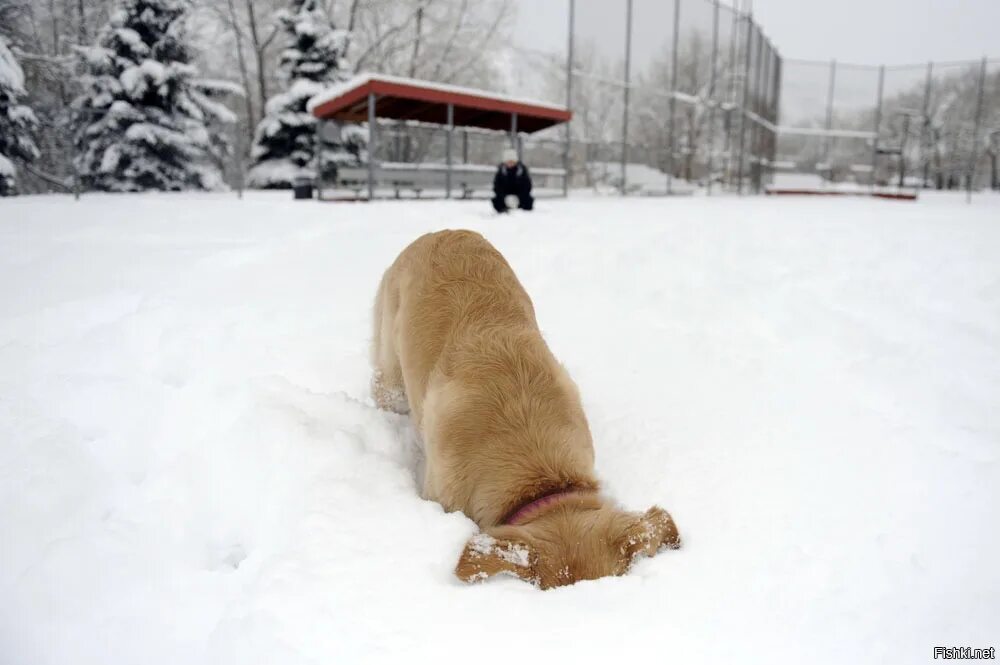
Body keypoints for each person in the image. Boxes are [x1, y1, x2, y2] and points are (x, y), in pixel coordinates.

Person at [491, 147, 533, 213]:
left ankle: (522, 211)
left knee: (528, 200)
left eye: (512, 161)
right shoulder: (501, 171)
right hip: (505, 194)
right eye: (508, 161)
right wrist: (504, 196)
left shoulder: (522, 170)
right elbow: (497, 186)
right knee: (497, 200)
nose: (510, 163)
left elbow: (527, 185)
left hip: (519, 194)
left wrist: (519, 196)